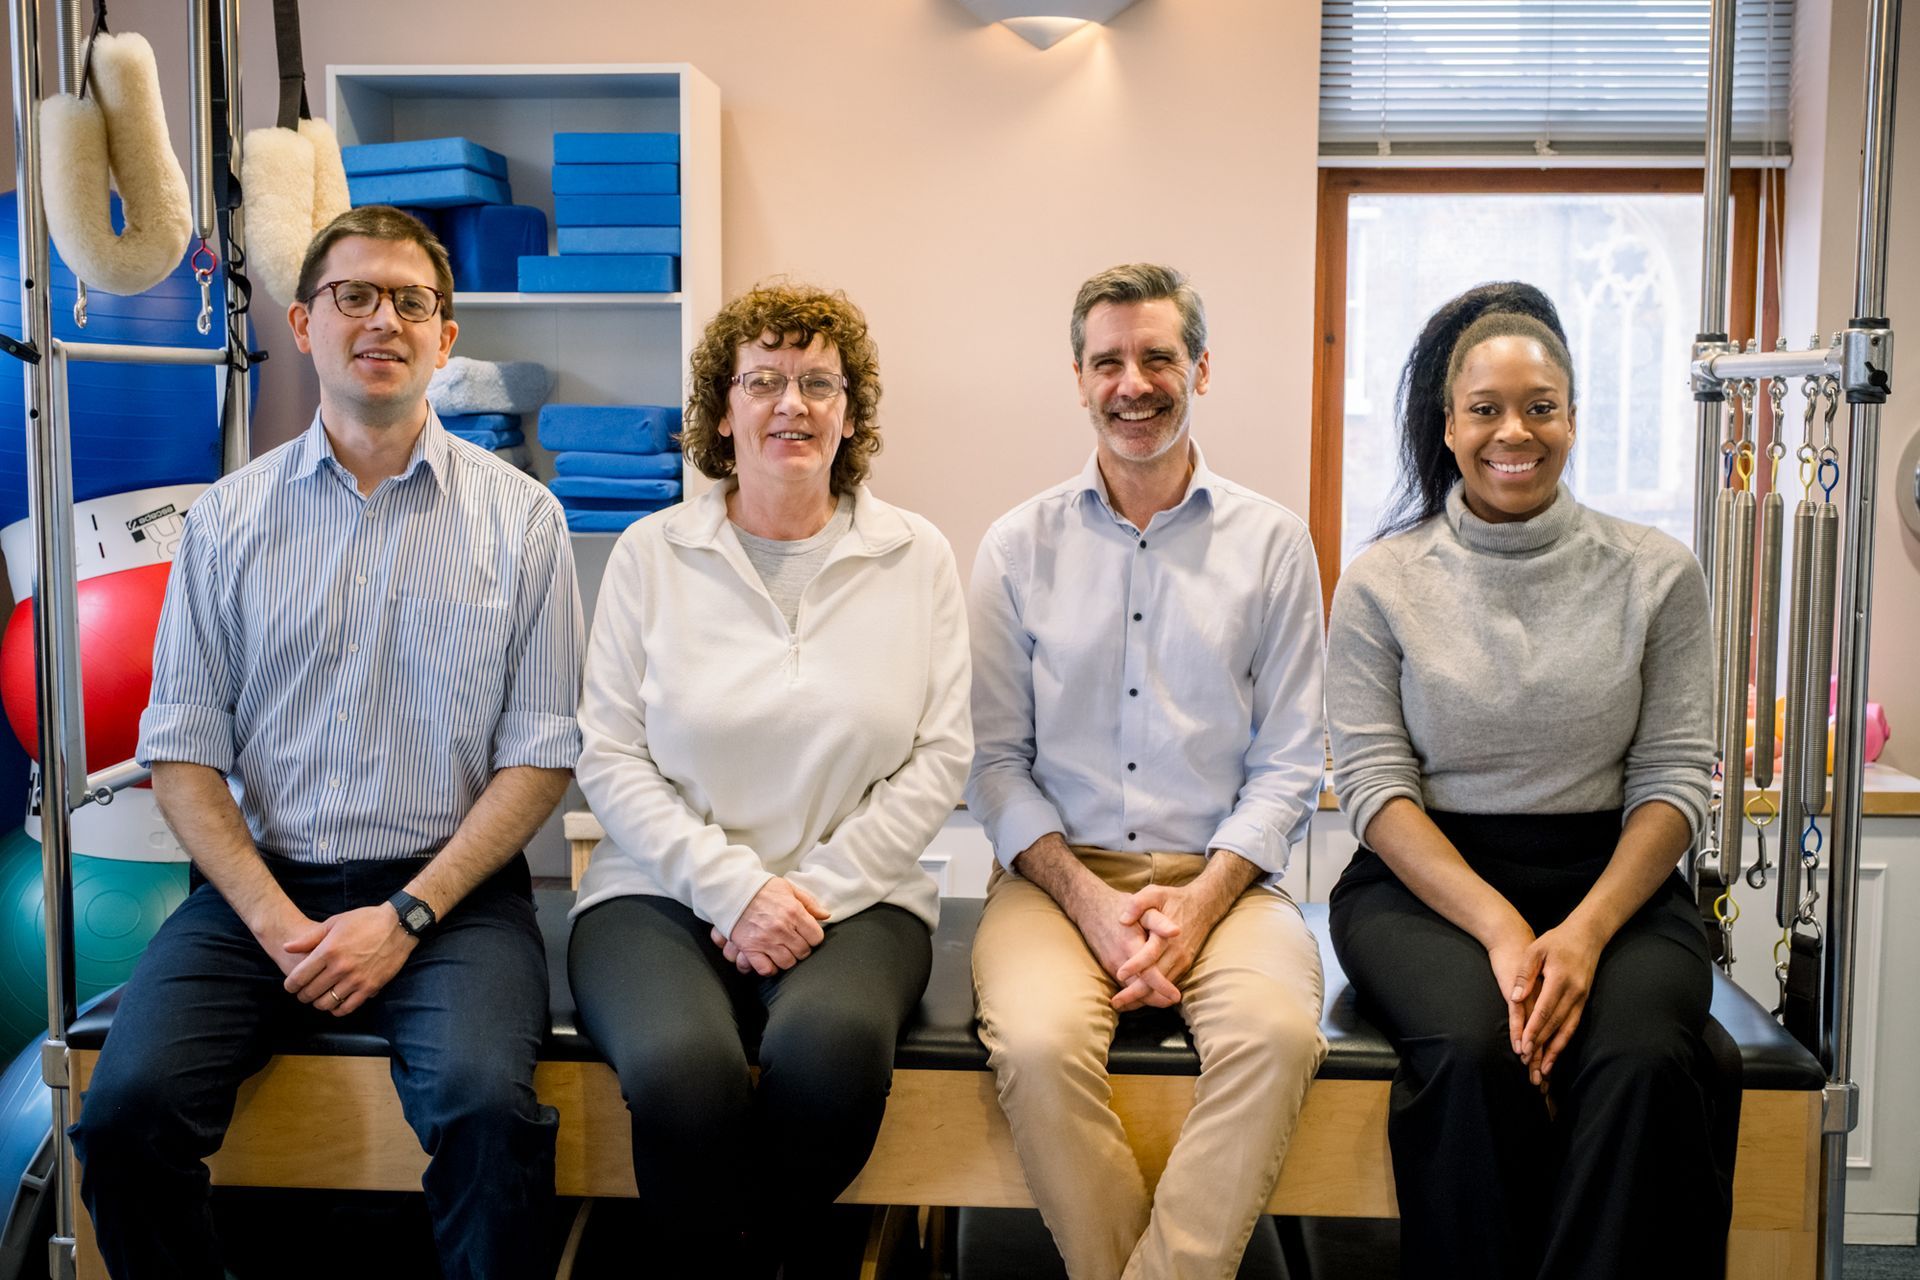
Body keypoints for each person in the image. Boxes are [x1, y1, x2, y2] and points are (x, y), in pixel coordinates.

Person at [70, 205, 583, 1280]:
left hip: (455, 901)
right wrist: (278, 918)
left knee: (489, 1112)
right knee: (123, 1115)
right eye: (355, 294)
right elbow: (183, 749)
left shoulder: (524, 521)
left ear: (447, 337)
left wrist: (404, 915)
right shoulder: (227, 519)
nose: (382, 318)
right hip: (266, 890)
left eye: (411, 299)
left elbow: (539, 755)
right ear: (304, 324)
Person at [1325, 282, 1733, 1279]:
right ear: (1448, 424)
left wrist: (1584, 931)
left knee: (1641, 1059)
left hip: (1618, 887)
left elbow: (1676, 778)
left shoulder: (1657, 572)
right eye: (1487, 408)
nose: (1516, 430)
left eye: (1540, 405)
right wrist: (1505, 929)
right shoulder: (1382, 578)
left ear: (1574, 418)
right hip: (1429, 888)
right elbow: (1376, 788)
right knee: (1472, 1051)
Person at [567, 282, 970, 1277]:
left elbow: (941, 754)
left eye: (818, 382)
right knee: (681, 1072)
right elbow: (609, 752)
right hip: (656, 890)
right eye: (764, 380)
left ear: (849, 411)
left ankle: (771, 1249)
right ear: (723, 408)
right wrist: (736, 888)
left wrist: (810, 894)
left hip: (859, 898)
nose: (791, 403)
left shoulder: (916, 556)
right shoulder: (650, 553)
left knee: (830, 1055)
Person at [966, 262, 1328, 1279]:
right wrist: (1087, 900)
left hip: (1226, 875)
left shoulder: (1272, 543)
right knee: (1036, 1045)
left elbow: (1293, 757)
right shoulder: (1012, 547)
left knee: (1275, 1033)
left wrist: (1203, 900)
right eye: (1109, 360)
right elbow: (993, 761)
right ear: (1077, 378)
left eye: (1158, 356)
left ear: (1201, 368)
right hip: (1056, 875)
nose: (1135, 382)